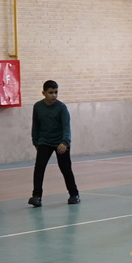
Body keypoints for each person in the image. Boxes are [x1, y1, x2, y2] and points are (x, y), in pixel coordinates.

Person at [28, 80, 80, 208]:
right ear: (44, 93)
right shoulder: (38, 107)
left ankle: (74, 194)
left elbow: (66, 127)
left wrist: (64, 142)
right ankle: (37, 196)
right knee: (39, 168)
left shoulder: (62, 108)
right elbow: (35, 126)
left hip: (60, 142)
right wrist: (36, 141)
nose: (54, 95)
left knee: (65, 168)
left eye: (56, 92)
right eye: (51, 93)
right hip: (44, 141)